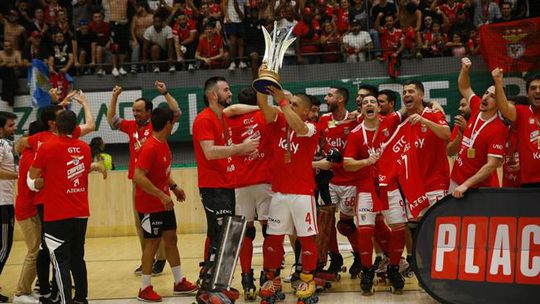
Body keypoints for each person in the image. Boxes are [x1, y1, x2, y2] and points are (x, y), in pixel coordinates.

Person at [28, 110, 105, 304]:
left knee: (60, 261)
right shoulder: (85, 148)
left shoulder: (46, 147)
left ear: (55, 125)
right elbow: (78, 171)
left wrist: (36, 183)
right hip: (80, 213)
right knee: (77, 259)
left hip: (56, 215)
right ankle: (81, 299)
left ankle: (65, 301)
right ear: (75, 126)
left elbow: (32, 177)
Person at [192, 77, 258, 303]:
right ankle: (206, 292)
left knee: (229, 238)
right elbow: (209, 152)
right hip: (213, 187)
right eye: (226, 90)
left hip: (227, 185)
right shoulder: (204, 119)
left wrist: (265, 106)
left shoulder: (224, 116)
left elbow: (238, 107)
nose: (230, 93)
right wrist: (241, 148)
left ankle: (220, 286)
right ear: (213, 95)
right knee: (218, 238)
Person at [107, 81, 181, 275]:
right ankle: (148, 258)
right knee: (141, 225)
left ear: (149, 112)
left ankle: (161, 260)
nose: (135, 114)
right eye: (133, 111)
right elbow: (112, 120)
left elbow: (176, 112)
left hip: (155, 181)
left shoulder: (157, 129)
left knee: (161, 226)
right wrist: (114, 97)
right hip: (138, 181)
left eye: (139, 111)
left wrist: (165, 93)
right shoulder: (131, 127)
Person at [257, 85, 319, 303]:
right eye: (289, 104)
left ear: (307, 111)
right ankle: (272, 279)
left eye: (295, 105)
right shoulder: (278, 125)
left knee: (306, 239)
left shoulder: (311, 128)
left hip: (302, 194)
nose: (289, 107)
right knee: (272, 239)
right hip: (279, 194)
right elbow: (263, 104)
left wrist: (283, 101)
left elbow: (299, 128)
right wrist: (263, 79)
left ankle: (308, 279)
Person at [343, 94, 407, 295]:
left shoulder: (390, 123)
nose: (369, 105)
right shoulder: (355, 134)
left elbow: (408, 109)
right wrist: (366, 162)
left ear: (379, 109)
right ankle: (367, 270)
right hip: (366, 188)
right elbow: (347, 163)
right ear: (361, 110)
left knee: (399, 228)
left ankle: (394, 268)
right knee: (365, 231)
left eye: (374, 102)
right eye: (365, 103)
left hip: (390, 185)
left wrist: (433, 107)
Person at [133, 107, 197, 302]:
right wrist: (161, 195)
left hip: (164, 202)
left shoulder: (163, 144)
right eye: (173, 123)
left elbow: (163, 172)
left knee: (171, 239)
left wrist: (174, 187)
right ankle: (145, 288)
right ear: (168, 124)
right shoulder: (150, 147)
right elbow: (138, 177)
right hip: (149, 205)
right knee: (151, 244)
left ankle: (179, 283)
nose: (174, 125)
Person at [222, 87, 271, 300]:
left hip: (240, 184)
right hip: (265, 181)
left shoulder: (228, 121)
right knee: (270, 230)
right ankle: (268, 275)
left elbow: (227, 110)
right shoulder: (265, 114)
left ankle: (246, 277)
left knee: (246, 232)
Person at [317, 87, 360, 278]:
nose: (326, 98)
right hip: (329, 180)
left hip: (350, 180)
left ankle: (359, 256)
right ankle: (335, 258)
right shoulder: (324, 120)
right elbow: (316, 140)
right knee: (326, 222)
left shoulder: (356, 119)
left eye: (329, 96)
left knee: (345, 225)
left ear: (340, 99)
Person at [451, 61, 508, 198]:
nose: (486, 97)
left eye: (492, 96)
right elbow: (464, 87)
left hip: (477, 188)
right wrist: (465, 70)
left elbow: (492, 165)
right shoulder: (476, 105)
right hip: (456, 178)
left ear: (500, 103)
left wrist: (466, 184)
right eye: (486, 93)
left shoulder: (499, 129)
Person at [12, 120, 47, 304]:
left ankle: (30, 288)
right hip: (27, 210)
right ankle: (20, 293)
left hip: (30, 208)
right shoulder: (33, 156)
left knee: (37, 250)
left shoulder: (29, 152)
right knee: (34, 251)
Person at [493, 71, 540, 188]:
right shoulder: (522, 112)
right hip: (530, 182)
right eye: (533, 88)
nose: (538, 91)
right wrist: (498, 83)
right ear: (528, 93)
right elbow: (504, 108)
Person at [0, 111, 18, 303]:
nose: (14, 129)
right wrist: (17, 176)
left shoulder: (4, 144)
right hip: (2, 205)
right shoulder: (0, 144)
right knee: (4, 247)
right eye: (10, 126)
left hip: (5, 202)